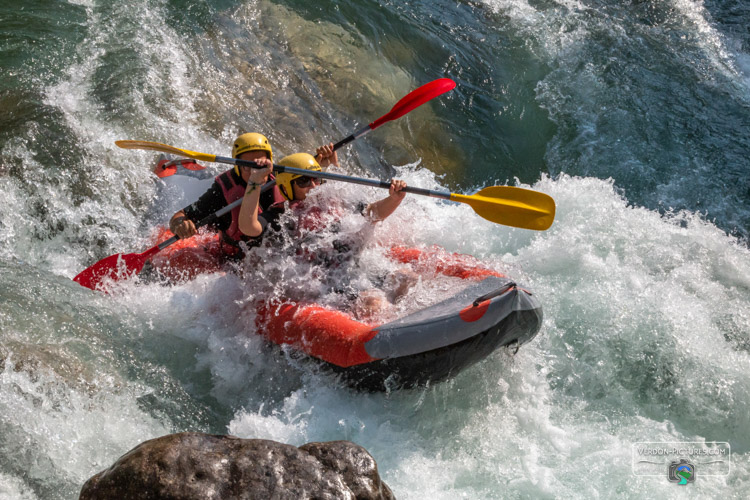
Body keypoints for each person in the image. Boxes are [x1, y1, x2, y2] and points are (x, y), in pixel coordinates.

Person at [238, 145, 414, 319]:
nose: (313, 186)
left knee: (407, 278)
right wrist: (254, 181)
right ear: (286, 186)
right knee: (373, 303)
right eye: (304, 181)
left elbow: (372, 213)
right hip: (324, 283)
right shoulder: (282, 215)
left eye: (316, 178)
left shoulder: (334, 200)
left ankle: (402, 320)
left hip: (354, 270)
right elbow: (248, 227)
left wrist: (395, 199)